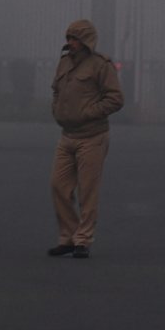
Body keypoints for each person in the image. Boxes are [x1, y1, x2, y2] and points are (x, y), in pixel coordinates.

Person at [47, 19, 124, 259]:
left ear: (86, 41)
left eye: (75, 38)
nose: (70, 42)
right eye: (69, 37)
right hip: (66, 136)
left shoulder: (101, 66)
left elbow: (115, 99)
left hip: (92, 136)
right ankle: (68, 236)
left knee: (87, 191)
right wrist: (58, 109)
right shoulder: (64, 63)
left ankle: (83, 239)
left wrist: (88, 113)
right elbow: (56, 90)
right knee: (58, 186)